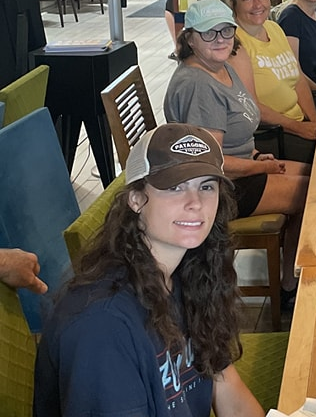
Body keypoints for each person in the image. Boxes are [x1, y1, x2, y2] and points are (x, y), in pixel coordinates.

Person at [33, 123, 264, 416]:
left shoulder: (191, 274)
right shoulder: (102, 327)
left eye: (206, 186)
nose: (195, 203)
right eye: (174, 187)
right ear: (136, 198)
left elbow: (226, 382)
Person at [164, 1, 309, 301]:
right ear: (189, 39)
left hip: (241, 168)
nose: (220, 39)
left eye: (226, 30)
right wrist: (259, 168)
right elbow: (210, 162)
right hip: (216, 189)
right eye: (209, 33)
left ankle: (291, 275)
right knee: (310, 195)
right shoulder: (198, 85)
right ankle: (290, 286)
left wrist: (256, 156)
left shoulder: (221, 67)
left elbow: (235, 135)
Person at [227, 0, 316, 164]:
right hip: (270, 136)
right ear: (233, 5)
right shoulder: (233, 44)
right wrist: (299, 128)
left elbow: (298, 80)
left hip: (298, 122)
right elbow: (250, 107)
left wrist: (314, 122)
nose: (257, 4)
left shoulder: (274, 28)